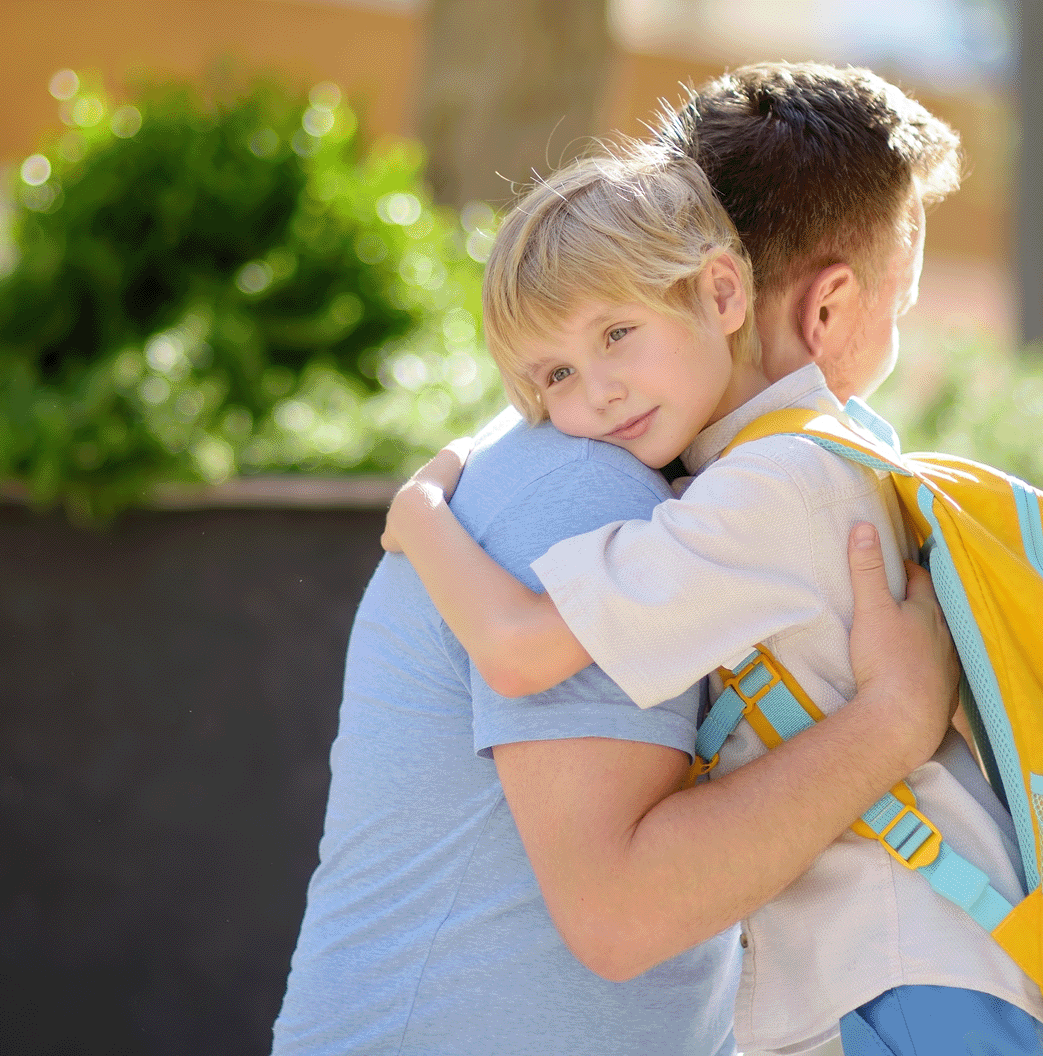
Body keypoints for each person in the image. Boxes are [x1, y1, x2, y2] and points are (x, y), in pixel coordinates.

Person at [275, 63, 985, 1056]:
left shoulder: (698, 486)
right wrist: (892, 721)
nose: (596, 391)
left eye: (618, 334)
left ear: (724, 288)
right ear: (828, 309)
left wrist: (422, 502)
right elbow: (620, 912)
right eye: (897, 310)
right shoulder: (597, 487)